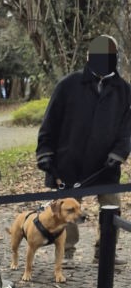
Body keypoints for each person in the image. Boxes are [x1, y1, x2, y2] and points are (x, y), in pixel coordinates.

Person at [36, 34, 131, 265]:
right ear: (88, 57)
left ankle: (104, 252)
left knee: (112, 206)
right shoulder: (68, 84)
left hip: (106, 163)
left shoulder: (124, 90)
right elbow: (50, 122)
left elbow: (127, 128)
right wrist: (45, 153)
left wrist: (119, 153)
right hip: (70, 160)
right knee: (67, 209)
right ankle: (66, 251)